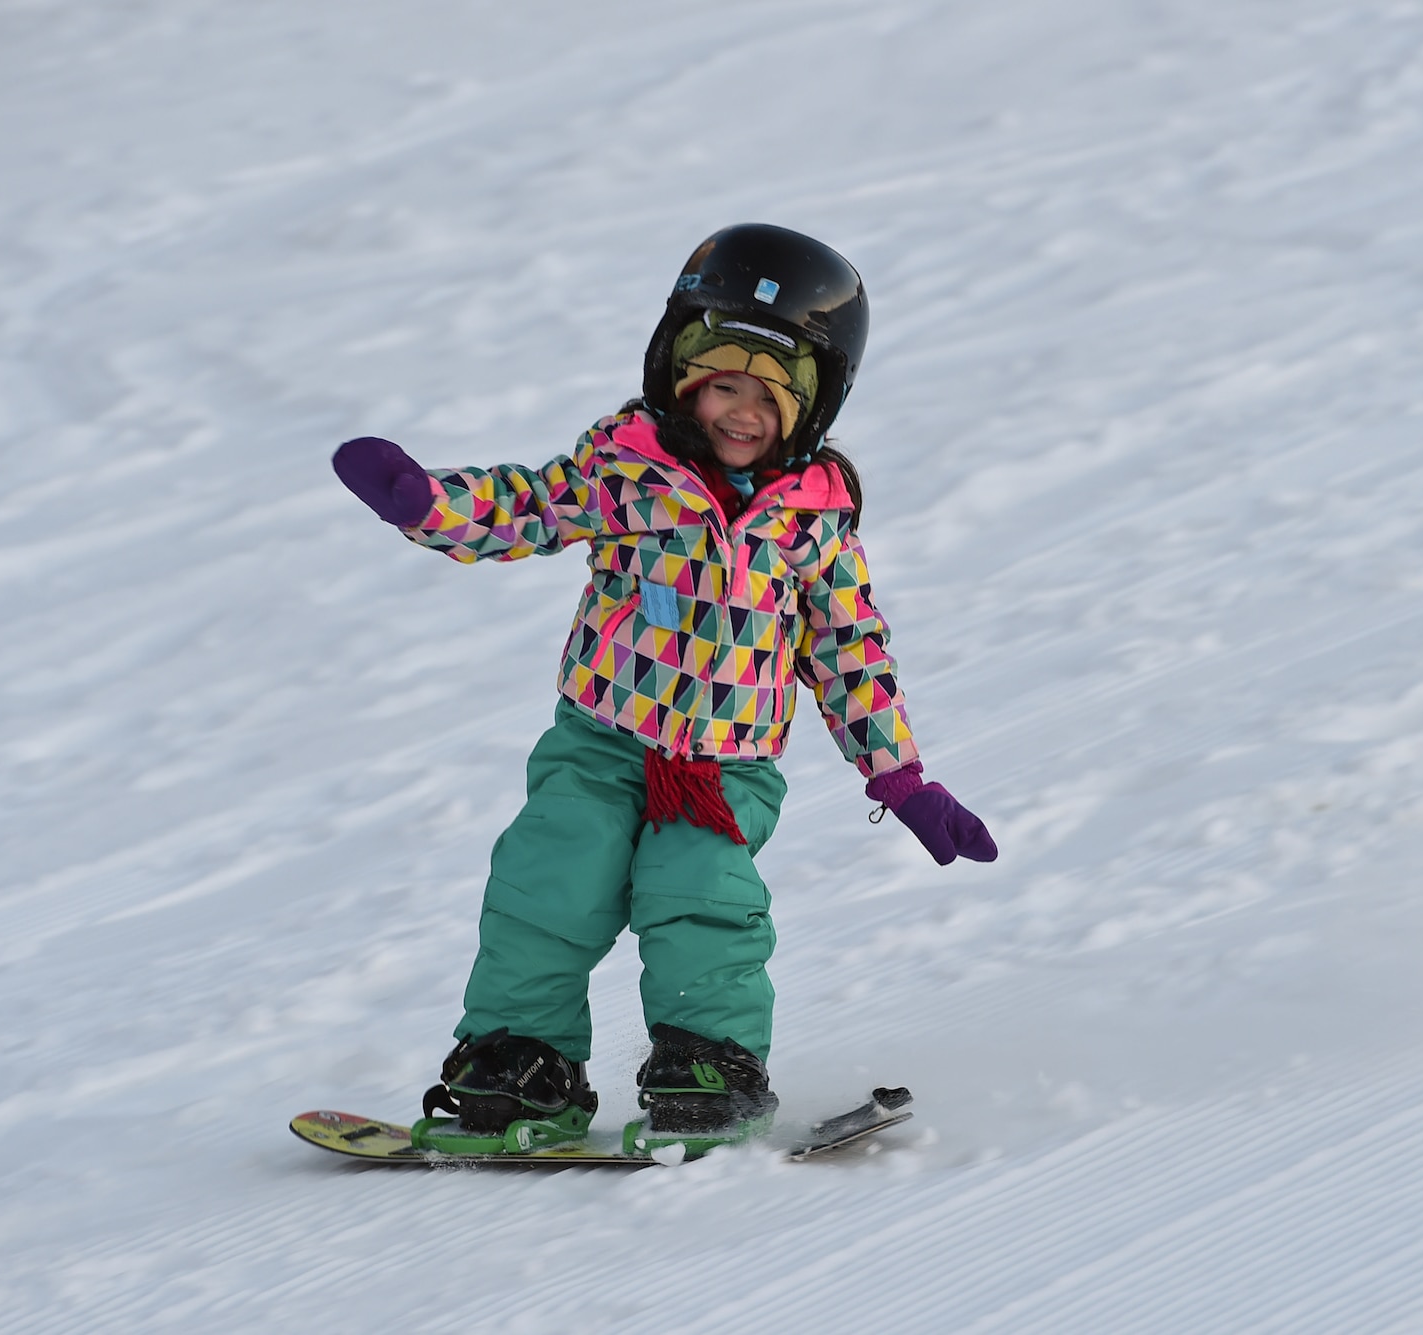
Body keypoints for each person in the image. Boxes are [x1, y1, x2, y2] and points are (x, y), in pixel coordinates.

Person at [332, 223, 997, 1149]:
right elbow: (530, 503)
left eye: (771, 398)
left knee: (701, 894)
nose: (741, 412)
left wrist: (902, 780)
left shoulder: (814, 525)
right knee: (547, 881)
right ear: (679, 373)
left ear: (814, 406)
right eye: (723, 383)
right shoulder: (628, 470)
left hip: (722, 769)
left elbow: (850, 653)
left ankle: (708, 1062)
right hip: (600, 738)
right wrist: (426, 504)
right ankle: (522, 1062)